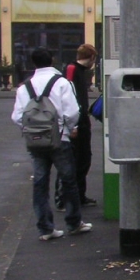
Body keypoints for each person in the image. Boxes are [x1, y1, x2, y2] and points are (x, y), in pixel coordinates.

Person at [12, 47, 92, 241]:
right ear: (53, 60)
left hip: (35, 142)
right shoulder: (62, 83)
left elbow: (17, 116)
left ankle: (45, 228)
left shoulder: (25, 87)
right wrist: (67, 129)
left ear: (33, 63)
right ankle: (73, 223)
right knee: (68, 180)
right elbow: (73, 111)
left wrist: (31, 130)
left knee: (40, 183)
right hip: (60, 139)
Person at [55, 44, 98, 207]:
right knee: (72, 161)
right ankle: (62, 198)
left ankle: (79, 195)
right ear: (92, 57)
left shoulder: (78, 71)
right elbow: (69, 96)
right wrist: (73, 125)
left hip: (81, 121)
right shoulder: (72, 69)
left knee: (84, 160)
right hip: (75, 122)